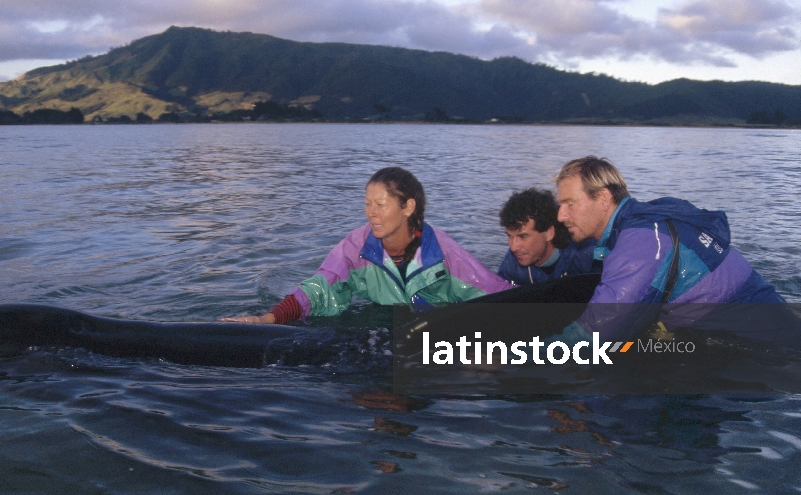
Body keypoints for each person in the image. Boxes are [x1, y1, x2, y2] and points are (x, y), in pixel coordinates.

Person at [225, 166, 513, 324]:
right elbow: (318, 288)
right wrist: (268, 319)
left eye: (381, 205)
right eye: (367, 204)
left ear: (408, 207)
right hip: (386, 326)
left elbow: (493, 292)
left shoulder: (442, 253)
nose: (371, 213)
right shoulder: (356, 248)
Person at [552, 156, 785, 343]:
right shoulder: (648, 219)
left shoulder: (640, 243)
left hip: (766, 346)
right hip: (768, 321)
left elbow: (593, 335)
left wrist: (522, 357)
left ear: (603, 198)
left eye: (569, 204)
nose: (560, 215)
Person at [497, 188, 597, 285]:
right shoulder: (511, 265)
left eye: (523, 236)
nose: (514, 247)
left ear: (549, 233)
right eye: (510, 236)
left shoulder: (587, 256)